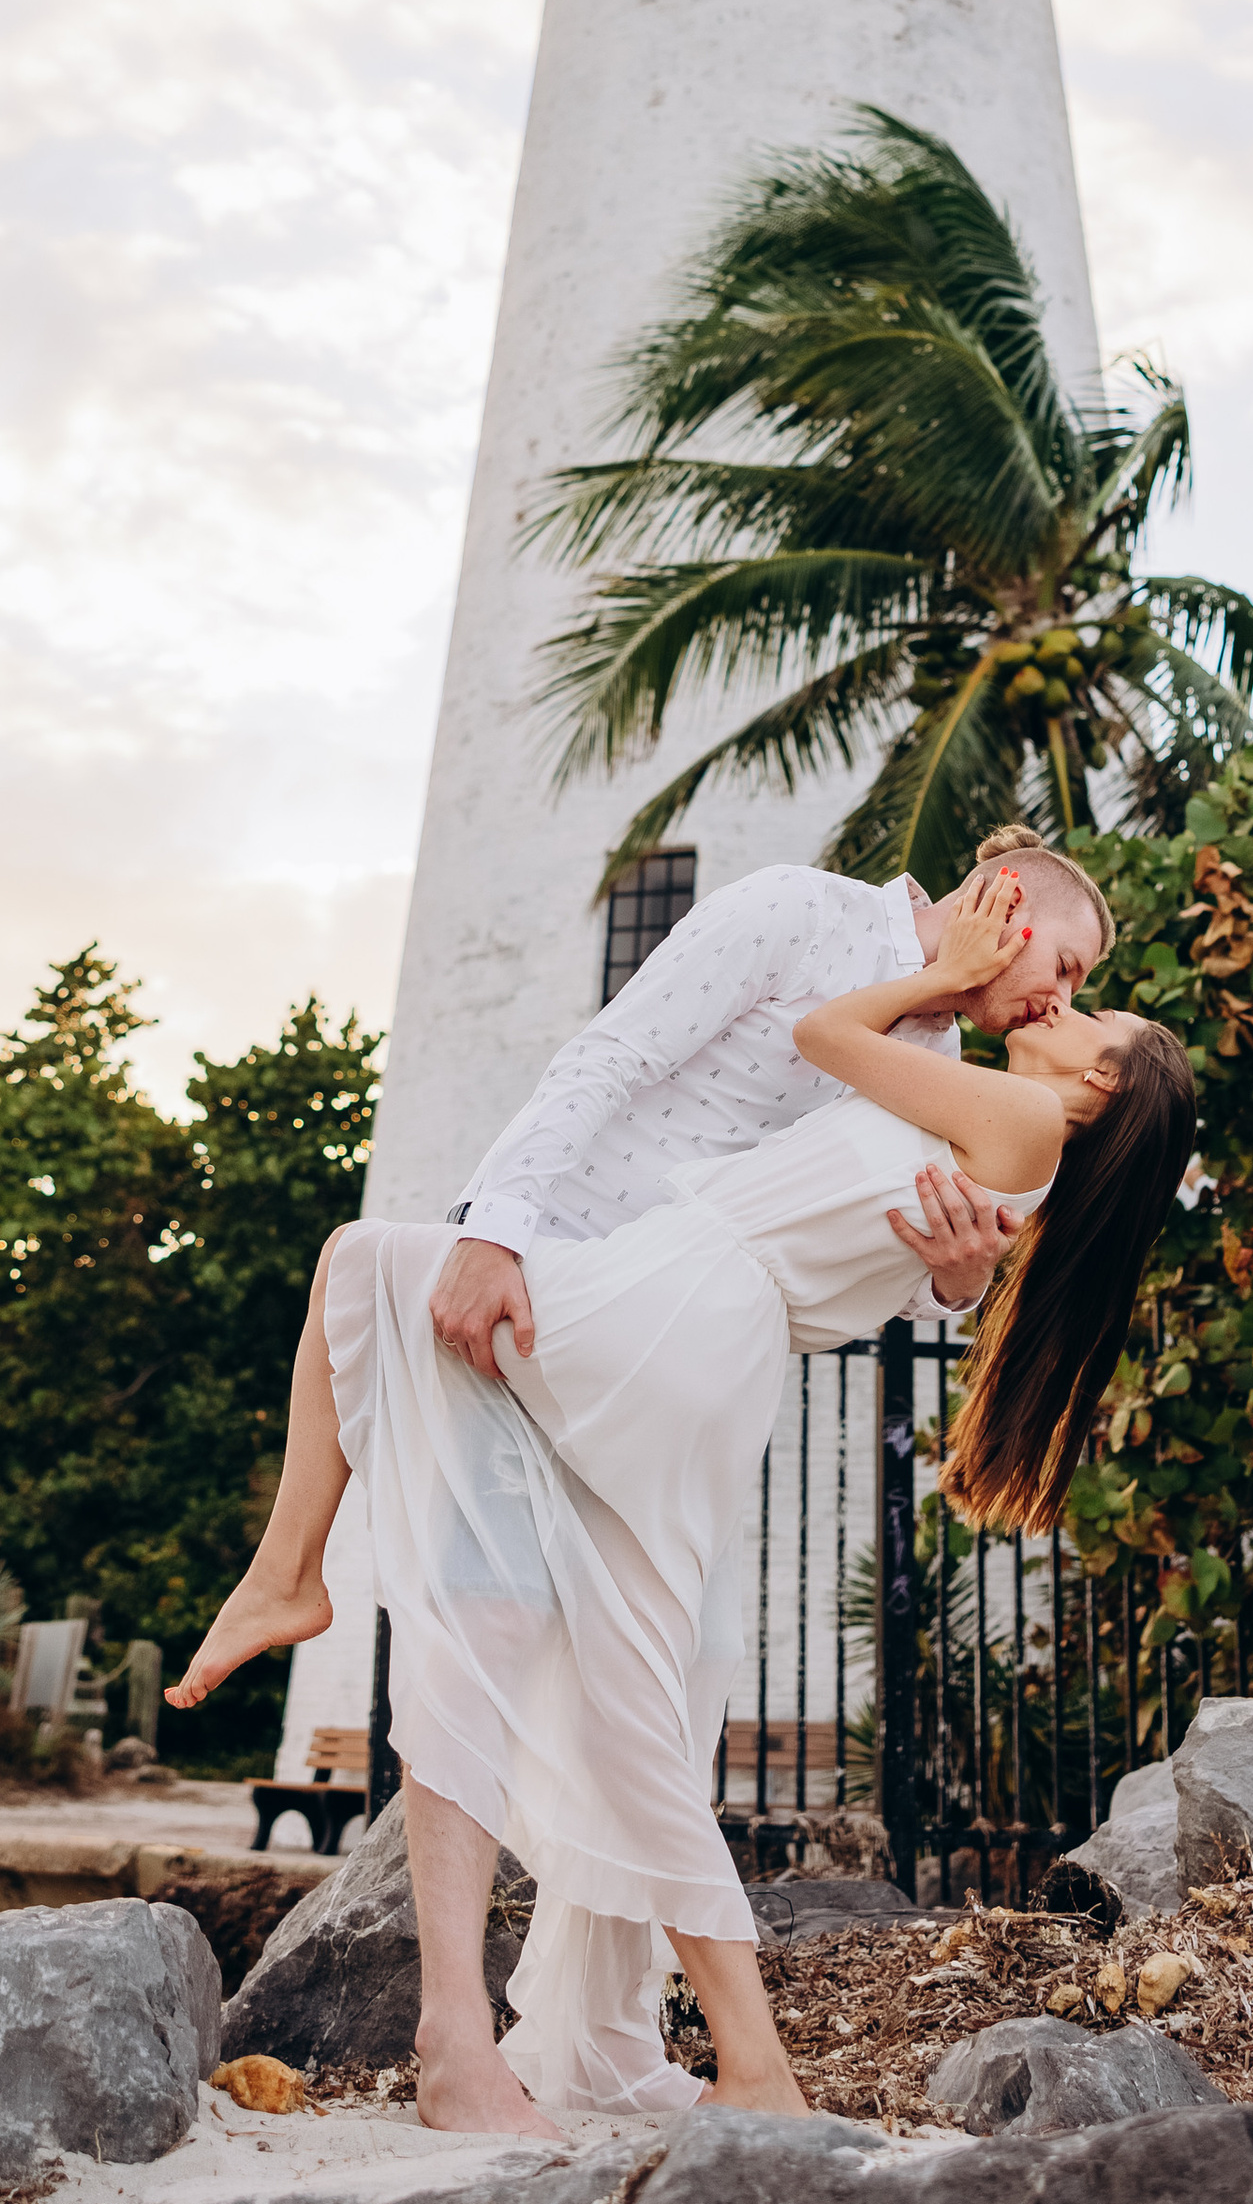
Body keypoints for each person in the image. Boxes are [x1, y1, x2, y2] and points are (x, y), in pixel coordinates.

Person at [167, 857, 1194, 2131]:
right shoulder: (851, 967)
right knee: (636, 1703)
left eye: (1087, 1004)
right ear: (1010, 908)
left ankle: (289, 1575)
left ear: (1097, 1084)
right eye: (1074, 972)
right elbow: (654, 1084)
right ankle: (721, 2060)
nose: (1064, 998)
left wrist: (953, 1275)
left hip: (661, 1315)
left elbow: (835, 1074)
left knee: (361, 1259)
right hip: (668, 1322)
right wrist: (954, 1278)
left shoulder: (977, 1079)